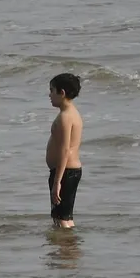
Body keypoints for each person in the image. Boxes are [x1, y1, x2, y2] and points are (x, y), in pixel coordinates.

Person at [47, 73, 83, 229]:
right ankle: (67, 249)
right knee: (65, 216)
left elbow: (64, 150)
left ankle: (66, 250)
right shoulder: (73, 113)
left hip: (65, 172)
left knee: (61, 219)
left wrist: (57, 182)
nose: (49, 95)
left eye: (52, 90)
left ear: (62, 93)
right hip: (69, 171)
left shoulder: (65, 117)